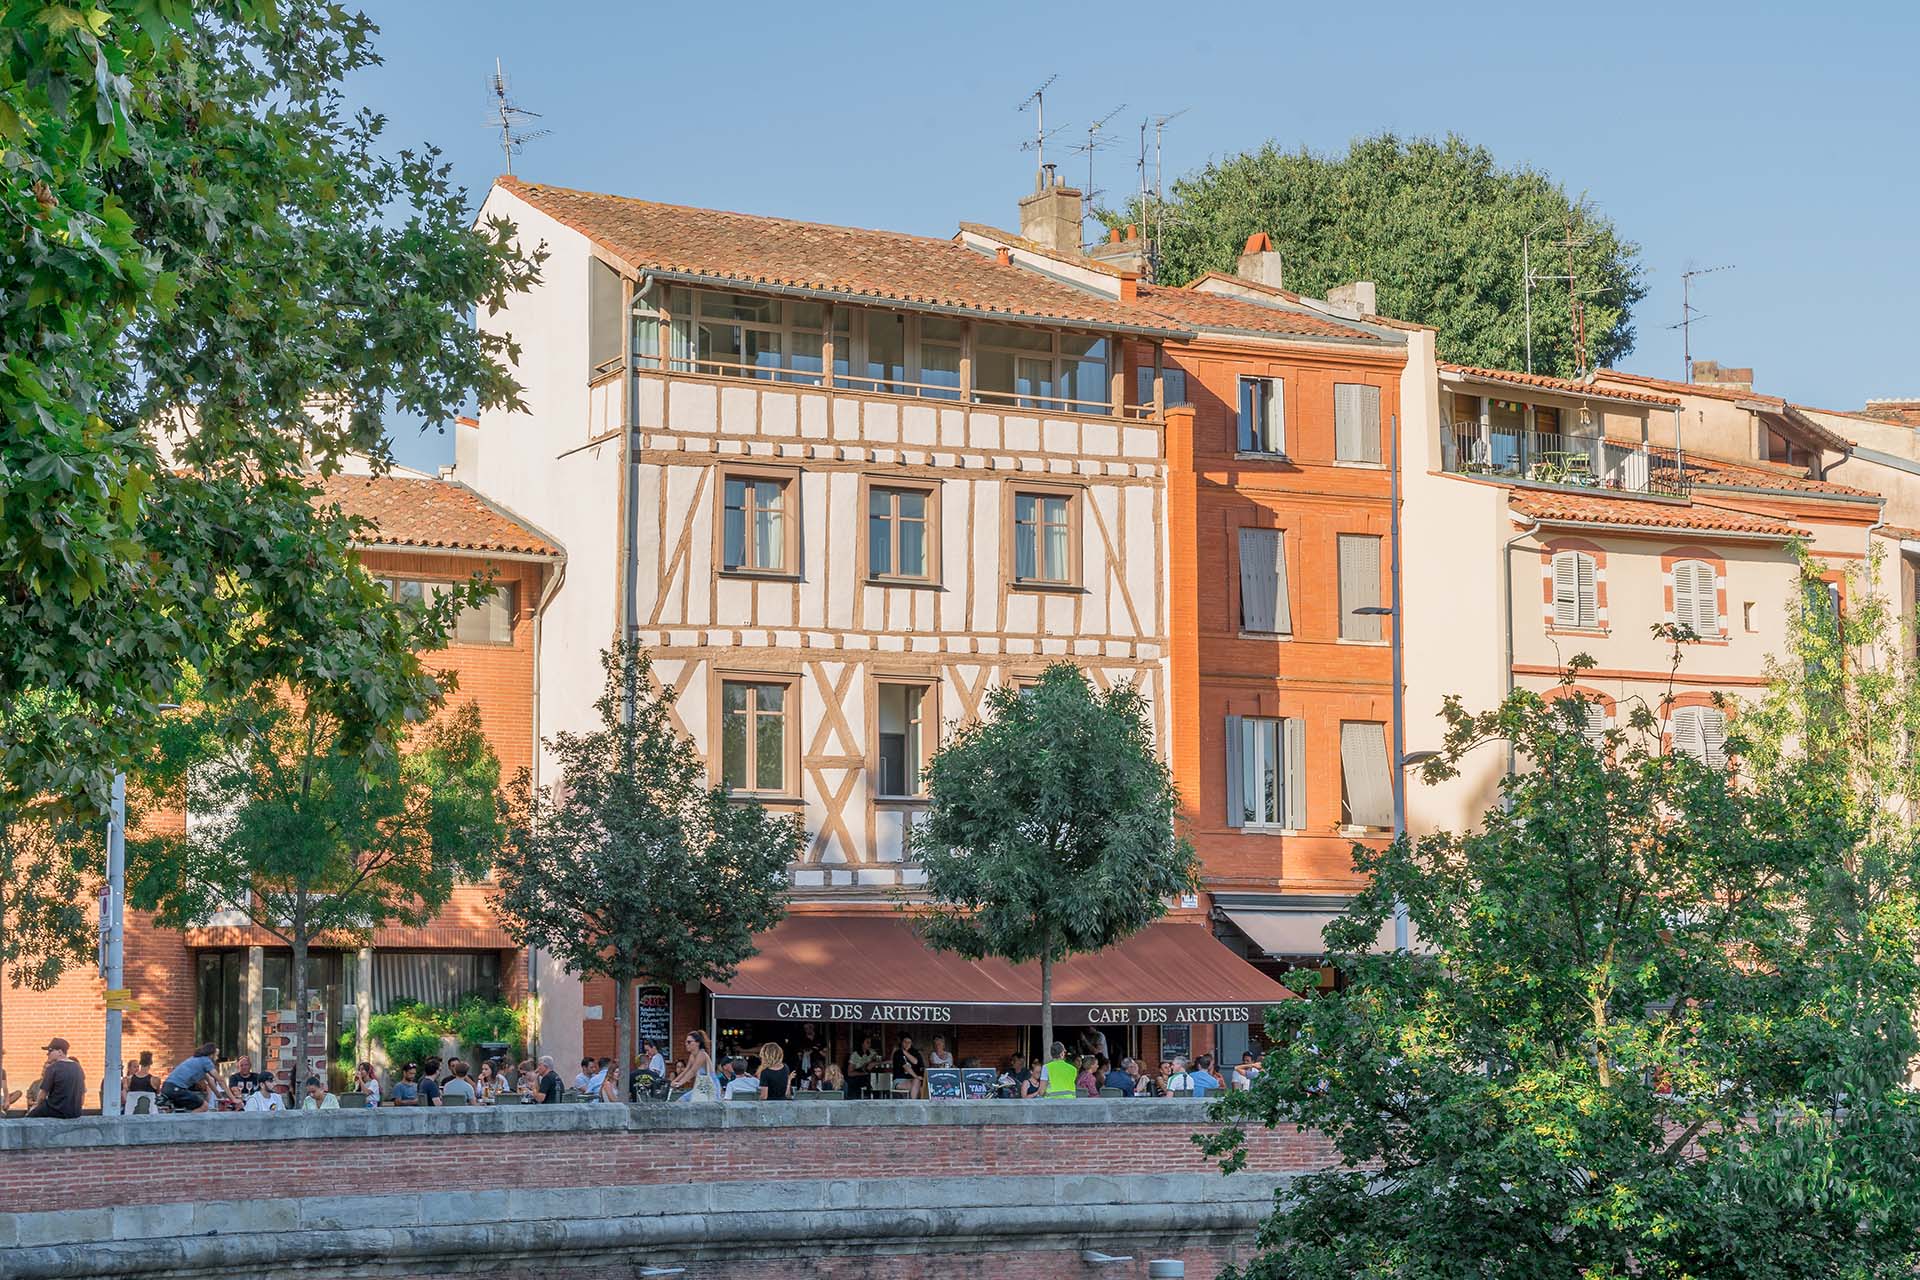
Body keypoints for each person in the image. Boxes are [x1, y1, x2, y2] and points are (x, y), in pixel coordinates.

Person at [27, 1039, 85, 1119]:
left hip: (56, 1110)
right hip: (74, 1113)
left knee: (29, 1118)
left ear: (60, 1052)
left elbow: (42, 1095)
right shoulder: (78, 1067)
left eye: (50, 1051)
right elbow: (82, 1094)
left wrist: (35, 1107)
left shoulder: (53, 1068)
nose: (47, 1054)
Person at [161, 1042, 221, 1113]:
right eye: (216, 1055)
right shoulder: (205, 1061)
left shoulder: (196, 1060)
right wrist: (231, 1098)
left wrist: (218, 1094)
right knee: (204, 1106)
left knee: (179, 1110)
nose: (217, 1058)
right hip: (176, 1088)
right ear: (211, 1055)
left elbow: (210, 1080)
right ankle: (187, 1123)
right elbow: (220, 1080)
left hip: (167, 1086)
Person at [669, 1032, 715, 1101]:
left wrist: (680, 1083)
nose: (686, 1044)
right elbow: (686, 1071)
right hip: (701, 1087)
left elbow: (693, 1071)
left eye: (689, 1042)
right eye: (686, 1042)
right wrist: (673, 1081)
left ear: (697, 1043)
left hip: (710, 1087)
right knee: (681, 1101)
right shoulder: (692, 1056)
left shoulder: (702, 1054)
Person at [891, 1035, 925, 1100]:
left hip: (912, 1080)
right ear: (901, 1043)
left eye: (909, 1042)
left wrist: (905, 1052)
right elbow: (906, 1067)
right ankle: (913, 1105)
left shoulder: (914, 1052)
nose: (907, 1044)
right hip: (899, 1081)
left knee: (919, 1084)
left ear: (911, 1044)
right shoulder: (898, 1053)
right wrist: (916, 1076)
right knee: (918, 1085)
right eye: (905, 1042)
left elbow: (916, 1062)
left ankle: (912, 1103)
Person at [848, 1035, 881, 1099]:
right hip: (859, 1077)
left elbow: (877, 1060)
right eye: (867, 1042)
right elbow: (850, 1073)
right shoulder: (855, 1055)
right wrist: (863, 1073)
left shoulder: (872, 1052)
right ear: (862, 1044)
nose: (869, 1044)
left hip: (871, 1075)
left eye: (870, 1043)